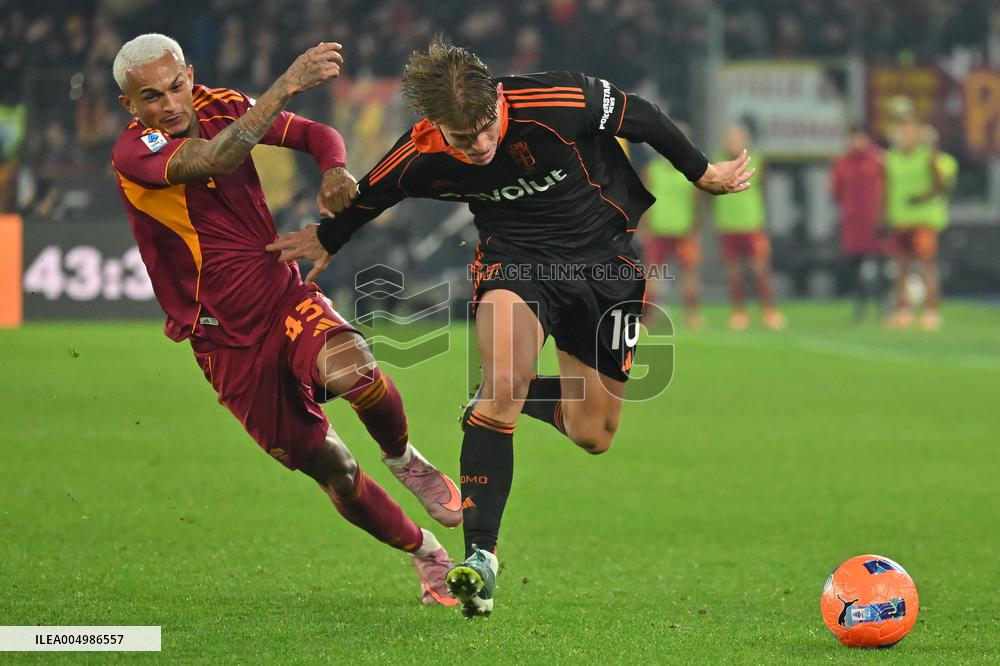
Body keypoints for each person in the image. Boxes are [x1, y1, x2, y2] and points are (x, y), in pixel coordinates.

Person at [268, 38, 755, 617]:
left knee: (592, 433)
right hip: (515, 264)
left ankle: (503, 402)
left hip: (606, 263)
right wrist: (329, 236)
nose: (475, 147)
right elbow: (372, 195)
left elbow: (641, 116)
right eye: (459, 138)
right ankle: (480, 559)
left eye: (481, 129)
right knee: (501, 389)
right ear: (435, 129)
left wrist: (702, 172)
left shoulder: (558, 99)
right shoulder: (423, 151)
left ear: (497, 100)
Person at [109, 33, 460, 607]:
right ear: (130, 106)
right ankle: (426, 554)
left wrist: (335, 170)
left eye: (178, 86)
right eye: (151, 97)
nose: (170, 104)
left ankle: (406, 461)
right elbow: (217, 157)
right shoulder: (135, 153)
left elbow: (318, 135)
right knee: (336, 471)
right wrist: (287, 84)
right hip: (223, 341)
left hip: (279, 293)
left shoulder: (220, 103)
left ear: (191, 74)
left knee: (357, 371)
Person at [884, 116, 958, 331]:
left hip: (924, 219)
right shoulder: (892, 158)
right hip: (900, 219)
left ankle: (931, 312)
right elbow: (886, 190)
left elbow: (942, 183)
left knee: (926, 266)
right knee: (900, 268)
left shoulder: (929, 156)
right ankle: (903, 311)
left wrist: (923, 196)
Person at [711, 123, 786, 331]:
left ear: (745, 140)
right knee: (733, 272)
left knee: (759, 269)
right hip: (727, 225)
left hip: (752, 224)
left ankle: (769, 311)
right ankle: (738, 312)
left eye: (737, 138)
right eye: (730, 138)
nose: (733, 142)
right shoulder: (717, 162)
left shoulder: (757, 161)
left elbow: (763, 189)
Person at [642, 123, 705, 330]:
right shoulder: (652, 170)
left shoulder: (692, 171)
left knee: (689, 273)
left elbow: (698, 203)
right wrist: (643, 228)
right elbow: (643, 200)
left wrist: (696, 229)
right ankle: (648, 316)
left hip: (684, 231)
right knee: (652, 275)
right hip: (658, 231)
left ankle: (692, 314)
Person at [830, 126, 887, 322]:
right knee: (853, 267)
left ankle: (882, 305)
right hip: (852, 224)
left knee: (881, 265)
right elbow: (835, 192)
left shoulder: (879, 160)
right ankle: (859, 307)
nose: (856, 143)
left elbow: (888, 189)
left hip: (876, 222)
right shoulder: (842, 163)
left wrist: (884, 215)